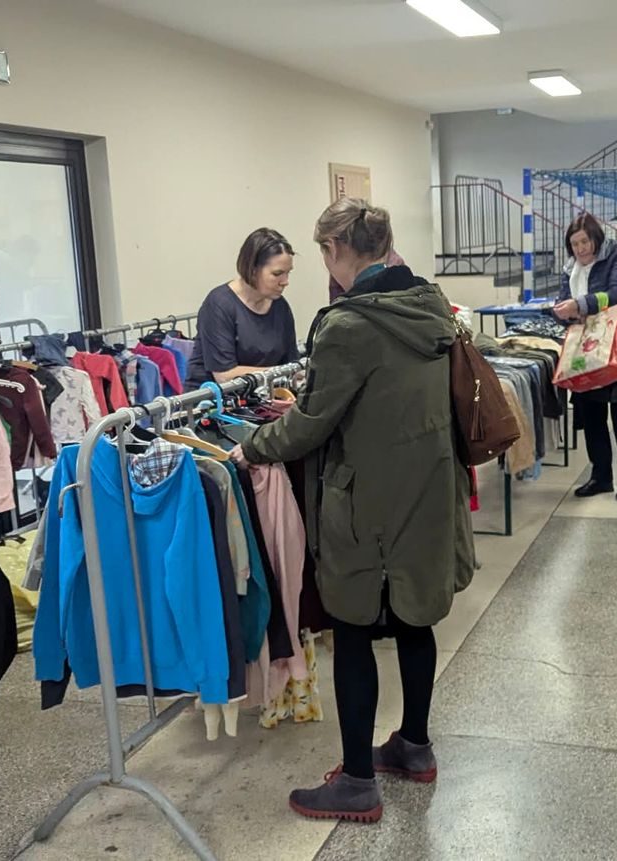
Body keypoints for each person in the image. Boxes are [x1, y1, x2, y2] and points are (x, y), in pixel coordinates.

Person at [230, 199, 475, 823]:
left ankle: (358, 782)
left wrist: (250, 447)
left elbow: (311, 422)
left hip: (366, 500)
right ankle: (414, 746)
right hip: (428, 489)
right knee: (416, 619)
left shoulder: (348, 325)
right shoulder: (429, 304)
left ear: (334, 250)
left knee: (356, 628)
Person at [553, 213, 617, 501]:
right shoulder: (569, 268)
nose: (580, 249)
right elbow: (563, 301)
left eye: (584, 241)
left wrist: (580, 304)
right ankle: (601, 476)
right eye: (574, 244)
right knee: (591, 414)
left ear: (596, 238)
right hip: (586, 349)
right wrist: (562, 312)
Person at [185, 227, 302, 389]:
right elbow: (224, 376)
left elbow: (291, 364)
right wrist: (280, 373)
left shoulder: (280, 306)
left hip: (261, 395)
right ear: (252, 270)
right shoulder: (219, 304)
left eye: (288, 273)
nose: (285, 281)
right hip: (214, 399)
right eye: (277, 274)